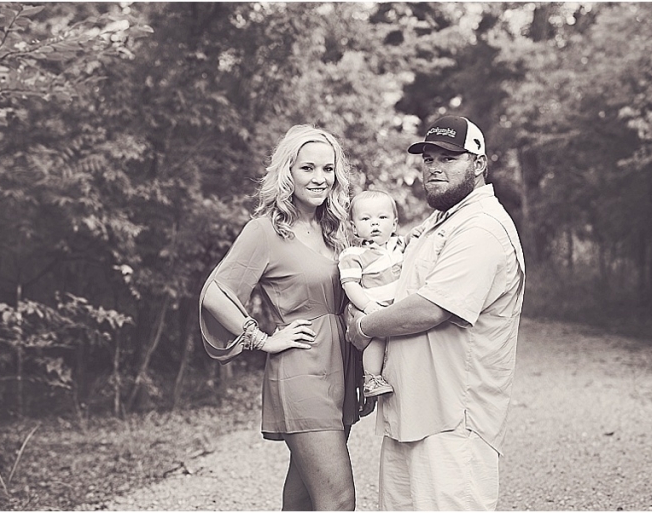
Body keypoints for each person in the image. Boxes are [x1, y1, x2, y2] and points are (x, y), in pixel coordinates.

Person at [346, 115, 526, 510]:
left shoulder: (481, 227)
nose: (435, 167)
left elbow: (431, 308)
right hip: (412, 413)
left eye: (449, 158)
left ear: (478, 164)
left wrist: (364, 326)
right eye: (429, 159)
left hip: (451, 421)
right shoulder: (442, 221)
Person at [199, 124, 363, 510]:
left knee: (304, 498)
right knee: (339, 500)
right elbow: (215, 295)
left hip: (340, 369)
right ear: (287, 172)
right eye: (308, 168)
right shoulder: (265, 231)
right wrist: (262, 339)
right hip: (301, 369)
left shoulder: (336, 230)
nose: (320, 178)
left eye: (328, 168)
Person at [338, 190, 405, 398]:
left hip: (401, 308)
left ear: (394, 224)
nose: (375, 223)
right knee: (378, 336)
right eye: (366, 219)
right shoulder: (353, 254)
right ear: (354, 227)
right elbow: (350, 284)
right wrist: (367, 306)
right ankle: (371, 378)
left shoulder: (399, 245)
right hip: (376, 308)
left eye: (382, 217)